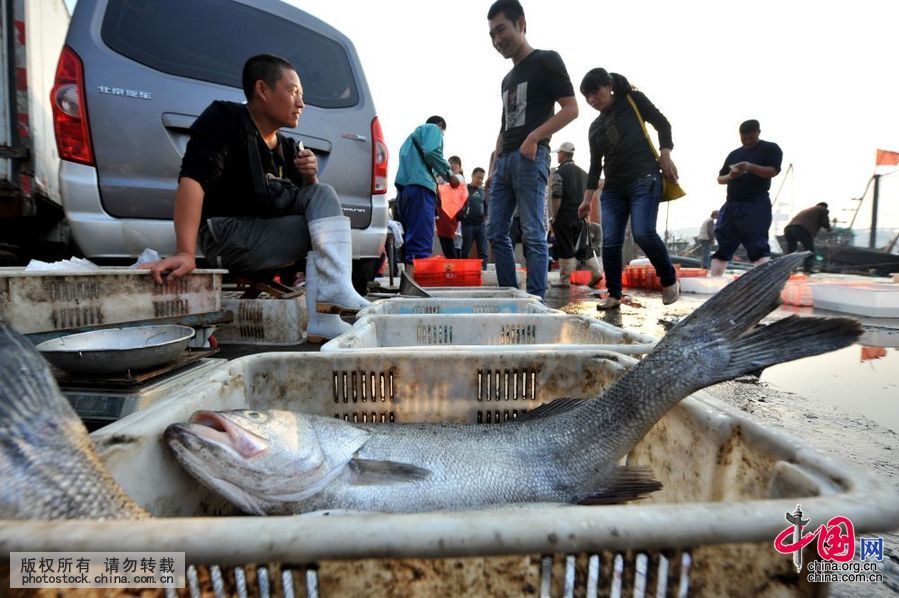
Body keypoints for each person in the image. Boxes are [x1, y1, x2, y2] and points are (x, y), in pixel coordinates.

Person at [141, 54, 369, 342]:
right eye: (293, 91)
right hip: (227, 234)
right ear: (262, 90)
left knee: (323, 195)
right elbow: (193, 179)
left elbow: (313, 207)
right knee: (320, 232)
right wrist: (186, 251)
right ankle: (329, 302)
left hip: (266, 235)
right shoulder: (225, 119)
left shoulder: (289, 148)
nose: (301, 103)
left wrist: (310, 179)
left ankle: (324, 317)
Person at [486, 0, 578, 298]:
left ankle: (536, 303)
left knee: (534, 235)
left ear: (521, 24)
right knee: (496, 232)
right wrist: (493, 165)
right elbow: (504, 125)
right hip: (505, 163)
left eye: (501, 30)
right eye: (492, 35)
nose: (497, 40)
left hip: (531, 157)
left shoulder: (547, 60)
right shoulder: (506, 80)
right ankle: (510, 297)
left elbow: (571, 108)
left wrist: (535, 137)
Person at [577, 68, 680, 310]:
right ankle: (613, 295)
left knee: (644, 232)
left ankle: (669, 279)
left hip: (644, 178)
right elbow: (594, 167)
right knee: (611, 242)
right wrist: (586, 200)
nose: (592, 99)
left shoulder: (633, 100)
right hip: (613, 189)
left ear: (609, 85)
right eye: (587, 96)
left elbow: (662, 124)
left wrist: (665, 155)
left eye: (595, 92)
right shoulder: (594, 127)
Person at [710, 119, 783, 276]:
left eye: (751, 137)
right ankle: (715, 280)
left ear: (758, 132)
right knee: (724, 242)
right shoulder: (734, 154)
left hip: (756, 203)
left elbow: (772, 171)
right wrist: (731, 175)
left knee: (757, 244)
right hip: (732, 204)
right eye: (744, 138)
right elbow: (720, 179)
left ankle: (764, 281)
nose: (748, 141)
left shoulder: (770, 148)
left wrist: (750, 167)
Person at [395, 116, 455, 278]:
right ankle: (419, 282)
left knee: (411, 239)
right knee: (421, 238)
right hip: (421, 190)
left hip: (405, 192)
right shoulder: (432, 129)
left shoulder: (408, 142)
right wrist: (449, 175)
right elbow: (431, 152)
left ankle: (409, 280)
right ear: (441, 126)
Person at [548, 141, 588, 287]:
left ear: (563, 154)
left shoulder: (559, 173)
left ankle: (564, 280)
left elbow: (556, 196)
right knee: (583, 247)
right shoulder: (584, 174)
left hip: (565, 215)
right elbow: (590, 194)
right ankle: (595, 273)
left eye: (559, 153)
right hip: (581, 215)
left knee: (565, 246)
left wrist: (555, 216)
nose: (558, 156)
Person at [784, 202, 831, 273]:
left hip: (788, 229)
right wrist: (828, 228)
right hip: (802, 229)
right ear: (825, 206)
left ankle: (788, 268)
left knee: (791, 250)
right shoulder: (823, 209)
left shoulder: (808, 210)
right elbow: (825, 222)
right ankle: (807, 268)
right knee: (809, 250)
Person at [436, 156, 465, 258]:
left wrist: (446, 173)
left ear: (460, 168)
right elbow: (438, 179)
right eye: (450, 163)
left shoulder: (459, 178)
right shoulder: (444, 178)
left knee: (450, 242)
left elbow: (451, 181)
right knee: (444, 241)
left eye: (455, 163)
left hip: (452, 215)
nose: (452, 165)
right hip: (442, 214)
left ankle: (454, 266)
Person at [460, 166, 489, 269]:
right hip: (468, 225)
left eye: (482, 178)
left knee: (483, 251)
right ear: (472, 176)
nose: (480, 180)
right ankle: (463, 271)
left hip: (481, 225)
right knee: (465, 250)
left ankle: (484, 271)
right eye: (478, 177)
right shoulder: (465, 189)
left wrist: (485, 217)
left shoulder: (482, 192)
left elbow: (486, 206)